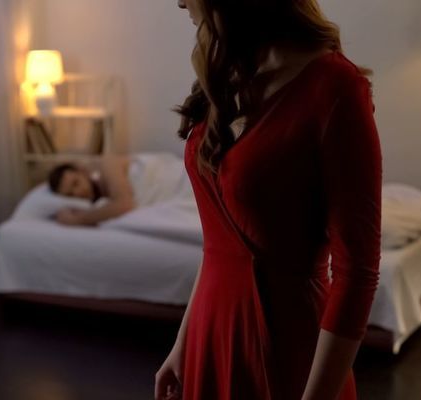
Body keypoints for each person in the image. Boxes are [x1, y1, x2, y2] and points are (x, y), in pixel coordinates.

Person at [155, 1, 382, 399]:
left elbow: (357, 274)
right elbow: (219, 244)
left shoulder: (335, 87)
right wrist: (183, 343)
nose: (179, 2)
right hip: (209, 332)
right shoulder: (226, 68)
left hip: (286, 348)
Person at [47, 155, 136, 226]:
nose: (78, 193)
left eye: (76, 183)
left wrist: (76, 220)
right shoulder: (100, 202)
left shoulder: (107, 165)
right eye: (70, 195)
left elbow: (125, 204)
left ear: (83, 172)